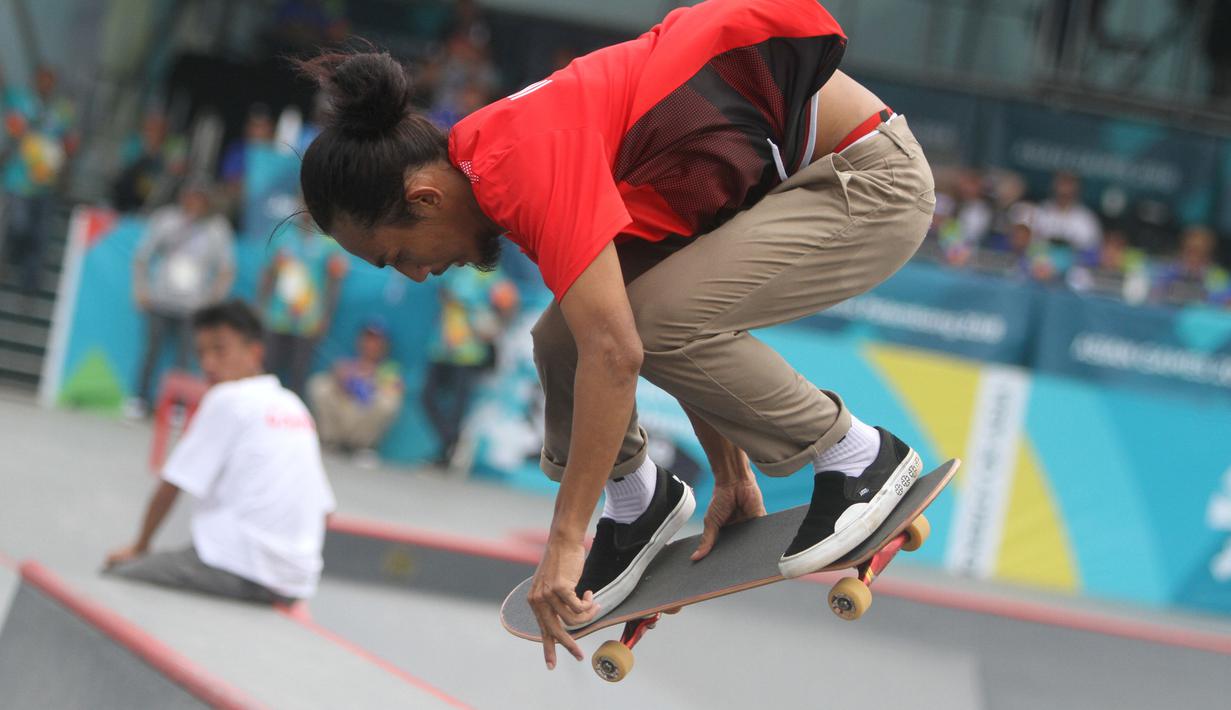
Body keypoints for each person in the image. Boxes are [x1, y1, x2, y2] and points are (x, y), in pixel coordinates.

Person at [297, 0, 935, 668]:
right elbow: (662, 277)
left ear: (425, 198)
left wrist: (564, 541)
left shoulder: (521, 163)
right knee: (561, 342)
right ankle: (638, 502)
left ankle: (860, 455)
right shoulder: (492, 160)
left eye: (399, 254)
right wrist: (726, 472)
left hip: (864, 182)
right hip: (798, 189)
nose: (419, 275)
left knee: (614, 337)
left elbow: (624, 349)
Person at [105, 300, 336, 604]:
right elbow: (326, 512)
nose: (209, 364)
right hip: (296, 583)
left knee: (114, 578)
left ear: (254, 352)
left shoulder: (227, 398)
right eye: (202, 353)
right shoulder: (294, 405)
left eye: (220, 350)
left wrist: (139, 547)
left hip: (236, 569)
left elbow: (172, 484)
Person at [132, 180, 235, 413]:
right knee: (151, 350)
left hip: (194, 306)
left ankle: (177, 405)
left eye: (200, 199)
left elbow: (226, 270)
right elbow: (142, 257)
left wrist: (213, 303)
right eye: (191, 197)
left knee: (186, 356)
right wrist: (140, 289)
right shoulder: (167, 220)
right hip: (161, 298)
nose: (195, 203)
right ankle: (139, 398)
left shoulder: (216, 229)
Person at [421, 265, 518, 465]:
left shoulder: (488, 274)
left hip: (468, 353)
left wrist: (492, 322)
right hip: (442, 346)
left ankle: (446, 453)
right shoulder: (450, 267)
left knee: (457, 408)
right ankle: (452, 442)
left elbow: (509, 302)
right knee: (427, 398)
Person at [1, 65, 78, 294]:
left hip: (46, 186)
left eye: (50, 80)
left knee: (39, 237)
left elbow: (68, 144)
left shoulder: (62, 111)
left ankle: (29, 287)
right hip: (18, 181)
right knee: (18, 225)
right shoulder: (20, 101)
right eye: (42, 79)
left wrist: (66, 173)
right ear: (35, 81)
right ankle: (11, 258)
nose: (46, 84)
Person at [258, 219, 349, 397]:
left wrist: (326, 316)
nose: (307, 208)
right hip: (277, 317)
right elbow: (268, 272)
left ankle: (290, 419)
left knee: (298, 374)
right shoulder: (282, 235)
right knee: (267, 370)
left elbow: (335, 283)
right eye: (303, 200)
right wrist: (261, 307)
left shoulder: (329, 242)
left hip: (308, 322)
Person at [307, 319, 405, 462]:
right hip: (343, 413)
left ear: (384, 345)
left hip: (364, 417)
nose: (371, 344)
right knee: (319, 384)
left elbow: (396, 390)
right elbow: (331, 386)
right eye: (368, 339)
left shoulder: (389, 370)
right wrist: (340, 378)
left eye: (376, 340)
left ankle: (363, 447)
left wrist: (374, 380)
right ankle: (330, 442)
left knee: (389, 401)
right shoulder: (346, 364)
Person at [1150, 225, 1229, 305]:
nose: (1194, 257)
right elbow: (1154, 294)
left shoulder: (1219, 277)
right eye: (1190, 251)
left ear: (1209, 255)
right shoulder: (1166, 272)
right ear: (1182, 250)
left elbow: (1225, 302)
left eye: (1201, 253)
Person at [1032, 171, 1103, 254]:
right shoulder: (1040, 211)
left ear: (1077, 189)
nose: (1065, 189)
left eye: (1069, 184)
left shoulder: (1087, 220)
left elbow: (1093, 252)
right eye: (1062, 182)